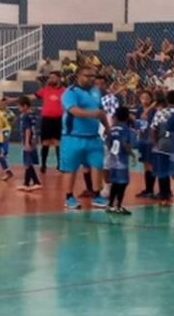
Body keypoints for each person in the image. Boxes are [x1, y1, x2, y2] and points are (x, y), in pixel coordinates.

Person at [60, 66, 109, 209]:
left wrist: (107, 126)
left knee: (97, 165)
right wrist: (92, 114)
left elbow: (101, 111)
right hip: (73, 137)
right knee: (71, 169)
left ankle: (97, 195)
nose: (91, 78)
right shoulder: (71, 92)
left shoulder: (96, 91)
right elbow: (73, 110)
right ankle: (69, 197)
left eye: (93, 75)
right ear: (78, 76)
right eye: (87, 75)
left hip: (93, 137)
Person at [150, 91, 174, 205]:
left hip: (163, 145)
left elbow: (153, 129)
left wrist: (155, 143)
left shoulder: (160, 112)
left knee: (163, 171)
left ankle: (164, 197)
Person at [104, 107, 134, 215]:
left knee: (115, 183)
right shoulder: (126, 129)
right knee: (123, 183)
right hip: (122, 161)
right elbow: (125, 143)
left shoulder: (112, 129)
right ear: (127, 117)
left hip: (113, 160)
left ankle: (110, 205)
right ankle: (118, 206)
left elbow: (108, 143)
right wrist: (132, 154)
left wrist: (112, 151)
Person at [35, 71, 66, 173]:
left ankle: (60, 164)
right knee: (45, 142)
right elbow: (33, 96)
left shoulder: (64, 91)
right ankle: (43, 164)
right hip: (46, 119)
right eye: (50, 77)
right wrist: (13, 100)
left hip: (58, 119)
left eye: (53, 77)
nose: (50, 79)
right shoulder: (45, 90)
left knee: (58, 143)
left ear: (59, 78)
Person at [15, 97, 42, 192]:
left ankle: (36, 182)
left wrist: (26, 142)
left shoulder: (25, 116)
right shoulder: (33, 114)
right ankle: (26, 184)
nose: (18, 108)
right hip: (34, 140)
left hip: (28, 140)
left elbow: (28, 129)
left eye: (19, 106)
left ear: (25, 106)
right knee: (28, 163)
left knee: (27, 163)